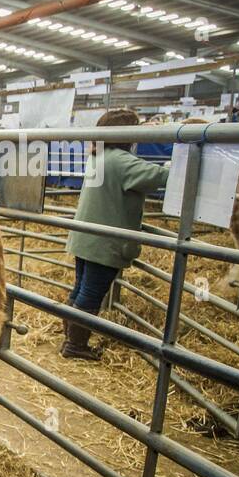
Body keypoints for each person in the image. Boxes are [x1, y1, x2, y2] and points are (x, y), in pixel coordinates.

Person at [63, 108, 171, 361]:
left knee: (80, 288)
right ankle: (75, 345)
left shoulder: (98, 156)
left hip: (87, 236)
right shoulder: (122, 161)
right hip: (105, 242)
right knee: (90, 294)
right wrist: (175, 163)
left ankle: (70, 337)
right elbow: (161, 176)